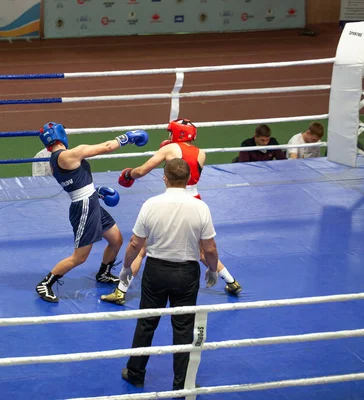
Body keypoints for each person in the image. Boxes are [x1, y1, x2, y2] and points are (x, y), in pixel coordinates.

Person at [101, 118, 241, 306]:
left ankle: (121, 291)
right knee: (201, 251)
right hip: (195, 200)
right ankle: (231, 282)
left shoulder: (169, 149)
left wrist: (128, 174)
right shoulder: (202, 153)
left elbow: (142, 170)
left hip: (173, 200)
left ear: (178, 133)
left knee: (141, 248)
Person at [120, 158, 219, 393]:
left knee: (146, 322)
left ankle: (135, 373)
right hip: (187, 273)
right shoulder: (200, 207)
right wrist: (213, 270)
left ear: (165, 178)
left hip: (156, 270)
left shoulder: (151, 204)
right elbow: (211, 249)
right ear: (188, 181)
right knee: (184, 327)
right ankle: (182, 383)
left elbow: (135, 243)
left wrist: (125, 268)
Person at [35, 122, 149, 303]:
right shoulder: (67, 155)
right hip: (84, 207)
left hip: (90, 201)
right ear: (61, 135)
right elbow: (107, 147)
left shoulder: (57, 159)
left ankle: (104, 273)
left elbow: (75, 182)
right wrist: (127, 137)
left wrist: (96, 191)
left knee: (116, 240)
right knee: (79, 257)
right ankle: (46, 283)